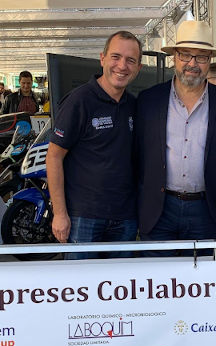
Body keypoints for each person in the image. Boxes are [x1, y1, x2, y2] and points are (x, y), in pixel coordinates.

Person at [135, 20, 216, 255]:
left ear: (209, 61)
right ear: (174, 57)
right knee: (159, 284)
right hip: (159, 210)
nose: (192, 64)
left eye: (201, 57)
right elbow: (136, 155)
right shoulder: (149, 100)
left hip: (207, 212)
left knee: (203, 286)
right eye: (186, 55)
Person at [46, 31, 142, 260]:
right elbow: (53, 157)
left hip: (125, 218)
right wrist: (60, 214)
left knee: (119, 290)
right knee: (80, 290)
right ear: (102, 59)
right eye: (116, 57)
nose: (122, 66)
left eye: (130, 60)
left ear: (138, 67)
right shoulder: (79, 100)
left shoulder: (135, 106)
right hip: (83, 217)